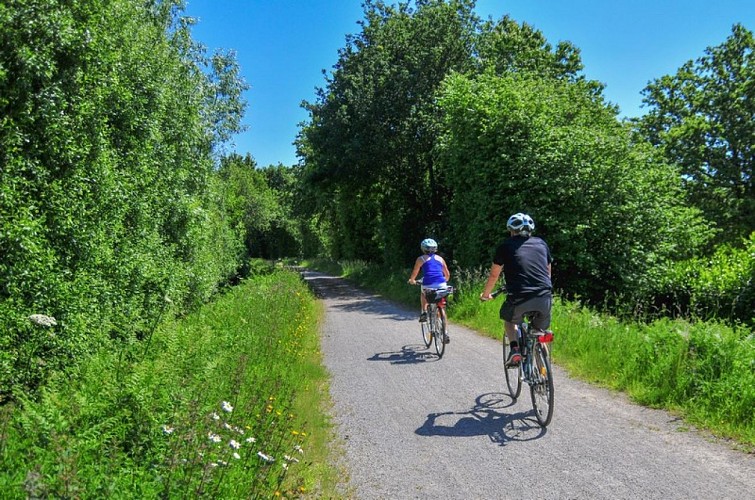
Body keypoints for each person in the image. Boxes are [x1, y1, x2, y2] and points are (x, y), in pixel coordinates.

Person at [479, 213, 552, 366]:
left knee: (509, 321)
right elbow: (547, 272)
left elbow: (494, 275)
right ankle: (544, 371)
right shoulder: (541, 243)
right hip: (544, 294)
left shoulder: (505, 246)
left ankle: (515, 350)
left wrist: (486, 295)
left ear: (511, 231)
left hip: (519, 295)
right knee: (540, 332)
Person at [407, 238, 451, 326]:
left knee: (423, 293)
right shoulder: (440, 259)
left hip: (428, 284)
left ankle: (424, 312)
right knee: (441, 304)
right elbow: (447, 274)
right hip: (441, 284)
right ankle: (445, 332)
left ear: (423, 249)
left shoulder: (421, 259)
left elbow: (415, 272)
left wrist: (412, 280)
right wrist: (444, 281)